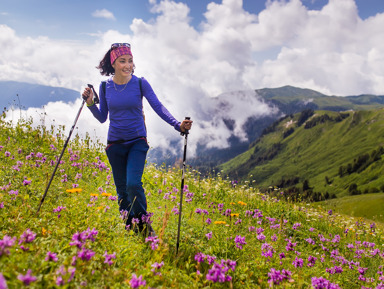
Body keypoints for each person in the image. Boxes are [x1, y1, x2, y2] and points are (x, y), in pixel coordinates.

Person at [82, 43, 192, 237]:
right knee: (122, 190)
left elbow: (158, 107)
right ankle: (129, 227)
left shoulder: (140, 83)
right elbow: (102, 117)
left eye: (130, 61)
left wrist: (178, 125)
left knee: (133, 184)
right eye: (122, 61)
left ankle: (143, 226)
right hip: (115, 144)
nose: (127, 65)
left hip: (137, 142)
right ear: (113, 63)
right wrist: (90, 102)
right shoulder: (105, 87)